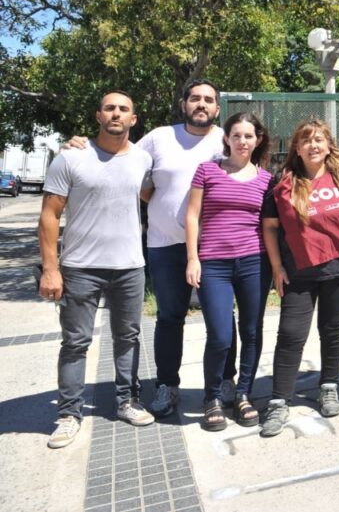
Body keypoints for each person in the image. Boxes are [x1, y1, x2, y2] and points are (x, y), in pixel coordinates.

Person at [65, 80, 239, 418]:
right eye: (194, 99)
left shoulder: (226, 140)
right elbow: (121, 157)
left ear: (217, 108)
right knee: (169, 318)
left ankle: (224, 381)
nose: (201, 104)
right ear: (183, 103)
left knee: (221, 320)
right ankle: (167, 385)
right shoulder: (159, 138)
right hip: (165, 246)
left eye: (208, 100)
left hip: (214, 248)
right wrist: (80, 145)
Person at [39, 92, 155, 449]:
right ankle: (69, 414)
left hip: (129, 267)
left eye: (123, 109)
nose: (116, 113)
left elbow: (154, 196)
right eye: (109, 108)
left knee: (129, 338)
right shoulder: (72, 157)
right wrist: (50, 269)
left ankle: (126, 401)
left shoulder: (143, 159)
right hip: (79, 268)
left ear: (133, 119)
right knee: (75, 343)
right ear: (98, 115)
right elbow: (49, 215)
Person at [260, 119, 339, 437]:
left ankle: (329, 385)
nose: (313, 145)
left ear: (327, 146)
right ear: (297, 147)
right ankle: (279, 401)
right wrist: (277, 267)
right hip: (298, 271)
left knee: (333, 330)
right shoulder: (282, 183)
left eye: (319, 139)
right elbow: (269, 226)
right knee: (291, 335)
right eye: (306, 140)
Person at [185, 111, 273, 431]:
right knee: (221, 335)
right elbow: (192, 216)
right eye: (236, 135)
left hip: (254, 262)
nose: (242, 141)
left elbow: (270, 227)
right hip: (213, 264)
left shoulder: (266, 180)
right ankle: (213, 396)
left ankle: (243, 394)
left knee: (251, 331)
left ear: (258, 140)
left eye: (248, 136)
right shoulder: (207, 171)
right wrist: (193, 258)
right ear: (226, 138)